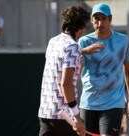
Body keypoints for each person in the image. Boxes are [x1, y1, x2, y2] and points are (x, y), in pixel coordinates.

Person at [78, 3, 129, 136]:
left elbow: (128, 71)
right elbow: (74, 71)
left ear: (110, 19)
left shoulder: (123, 41)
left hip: (113, 103)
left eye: (103, 18)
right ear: (92, 21)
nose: (100, 22)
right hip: (88, 103)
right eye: (96, 18)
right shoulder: (83, 42)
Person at [38, 5, 96, 136]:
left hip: (45, 113)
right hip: (64, 118)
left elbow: (61, 60)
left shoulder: (53, 42)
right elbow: (66, 83)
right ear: (80, 27)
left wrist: (83, 51)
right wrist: (77, 118)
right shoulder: (73, 47)